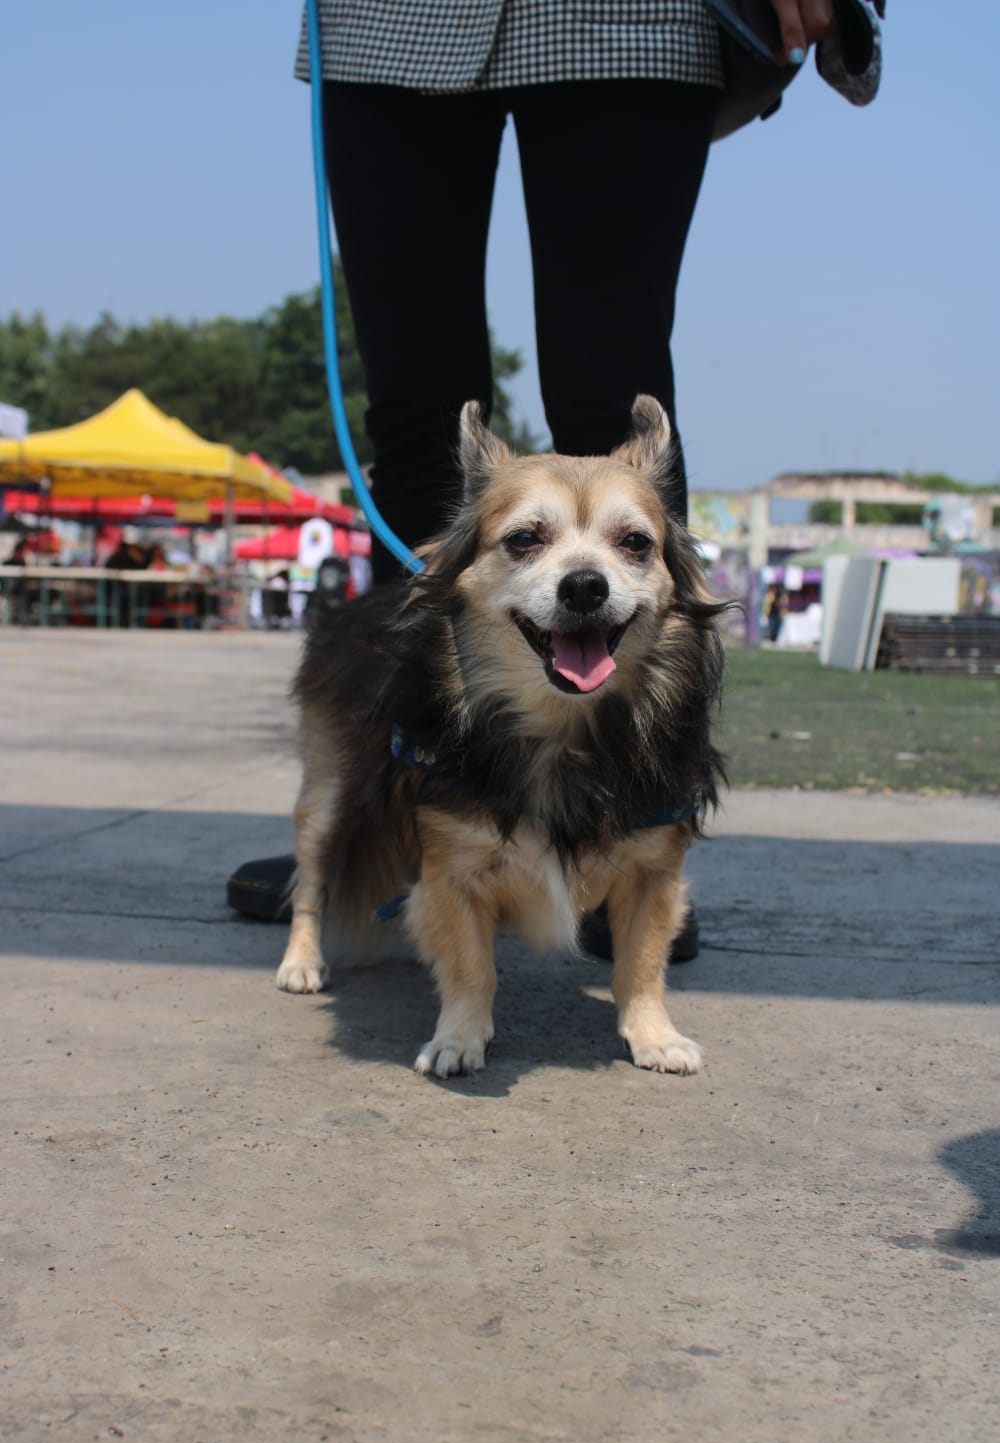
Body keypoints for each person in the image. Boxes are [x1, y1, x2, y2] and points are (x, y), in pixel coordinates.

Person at [227, 0, 885, 949]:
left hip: (626, 19)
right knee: (416, 415)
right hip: (388, 24)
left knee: (618, 404)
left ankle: (635, 839)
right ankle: (421, 816)